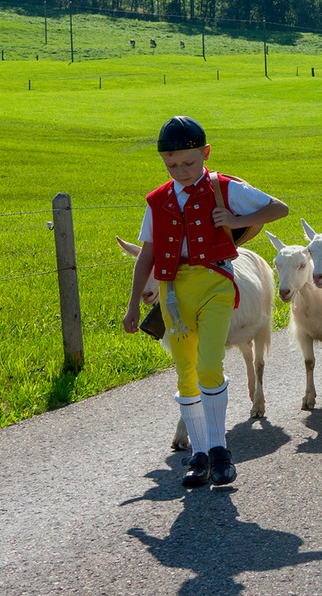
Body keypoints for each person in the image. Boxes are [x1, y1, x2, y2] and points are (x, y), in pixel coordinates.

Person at [123, 116, 288, 488]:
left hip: (215, 284)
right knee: (186, 373)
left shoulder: (223, 187)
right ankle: (198, 455)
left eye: (188, 162)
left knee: (210, 364)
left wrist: (234, 217)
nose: (180, 171)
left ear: (205, 153)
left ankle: (220, 450)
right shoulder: (158, 200)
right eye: (171, 164)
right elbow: (146, 255)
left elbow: (278, 208)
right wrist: (134, 304)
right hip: (173, 293)